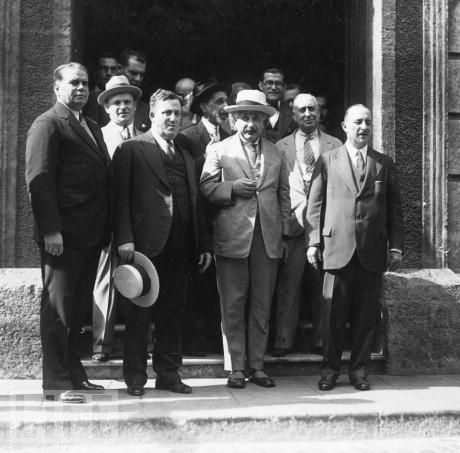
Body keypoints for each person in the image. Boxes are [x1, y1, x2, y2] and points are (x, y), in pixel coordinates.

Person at [112, 89, 212, 396]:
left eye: (177, 113)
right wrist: (125, 239)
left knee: (173, 312)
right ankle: (135, 378)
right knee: (140, 313)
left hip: (181, 246)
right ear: (151, 116)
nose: (172, 118)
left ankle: (168, 374)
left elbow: (195, 201)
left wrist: (203, 242)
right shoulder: (131, 149)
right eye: (166, 113)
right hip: (144, 245)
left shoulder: (185, 151)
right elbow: (119, 200)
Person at [25, 62, 111, 403]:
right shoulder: (47, 124)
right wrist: (51, 231)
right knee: (59, 309)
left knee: (76, 313)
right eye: (74, 83)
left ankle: (75, 374)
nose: (81, 89)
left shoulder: (90, 125)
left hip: (89, 236)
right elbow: (39, 181)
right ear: (56, 87)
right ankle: (56, 383)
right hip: (63, 236)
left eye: (85, 84)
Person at [305, 104, 403, 391]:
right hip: (336, 249)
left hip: (371, 252)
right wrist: (313, 242)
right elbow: (315, 204)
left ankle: (359, 371)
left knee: (365, 317)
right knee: (332, 315)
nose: (363, 127)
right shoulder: (327, 159)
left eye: (368, 122)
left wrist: (395, 248)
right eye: (358, 122)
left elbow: (394, 210)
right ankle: (330, 371)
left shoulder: (384, 163)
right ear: (345, 127)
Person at [200, 90, 290, 389]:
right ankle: (236, 367)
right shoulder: (219, 150)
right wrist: (232, 188)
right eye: (244, 118)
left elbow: (284, 196)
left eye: (256, 118)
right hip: (232, 236)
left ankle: (257, 365)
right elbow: (206, 189)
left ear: (264, 122)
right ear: (233, 120)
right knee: (233, 304)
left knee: (262, 305)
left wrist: (285, 232)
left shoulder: (276, 152)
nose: (250, 124)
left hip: (268, 239)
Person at [273, 94, 342, 358]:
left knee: (323, 287)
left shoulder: (334, 144)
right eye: (301, 110)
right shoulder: (280, 147)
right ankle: (282, 341)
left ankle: (321, 341)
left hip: (323, 227)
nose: (308, 114)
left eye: (312, 109)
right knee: (288, 286)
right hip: (292, 226)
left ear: (319, 112)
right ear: (293, 115)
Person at [91, 75, 142, 363]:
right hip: (108, 218)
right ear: (107, 109)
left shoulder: (144, 137)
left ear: (135, 106)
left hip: (139, 218)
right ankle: (102, 343)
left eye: (127, 102)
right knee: (106, 280)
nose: (122, 107)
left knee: (140, 277)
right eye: (116, 103)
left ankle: (141, 341)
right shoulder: (99, 136)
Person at [181, 78, 230, 356]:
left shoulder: (230, 136)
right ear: (203, 107)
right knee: (197, 282)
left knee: (218, 284)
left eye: (226, 101)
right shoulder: (188, 137)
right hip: (198, 222)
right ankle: (193, 341)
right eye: (218, 102)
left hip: (224, 222)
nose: (224, 108)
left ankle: (214, 338)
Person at [258, 68, 295, 143]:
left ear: (284, 87)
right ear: (261, 85)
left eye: (278, 83)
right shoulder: (252, 110)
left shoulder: (293, 112)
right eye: (269, 83)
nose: (274, 87)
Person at [118, 49, 151, 132]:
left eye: (142, 75)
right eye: (133, 73)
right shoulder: (98, 102)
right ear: (119, 68)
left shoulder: (147, 110)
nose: (138, 79)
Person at [83, 52, 118, 126]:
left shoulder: (120, 98)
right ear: (95, 71)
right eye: (104, 68)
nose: (109, 73)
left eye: (113, 69)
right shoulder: (89, 98)